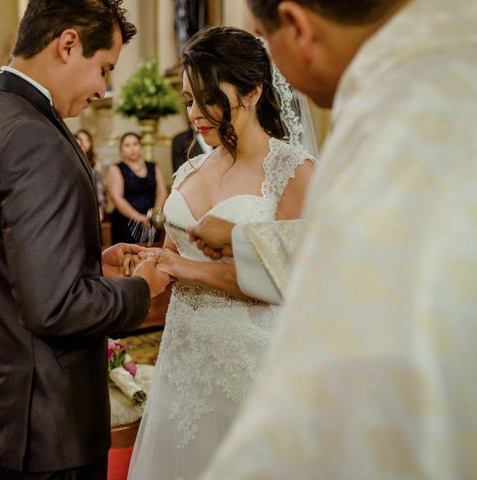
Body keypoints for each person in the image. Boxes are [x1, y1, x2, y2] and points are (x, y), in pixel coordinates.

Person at [199, 0, 477, 479]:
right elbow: (384, 245)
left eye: (267, 42)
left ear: (297, 27)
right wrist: (246, 238)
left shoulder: (401, 115)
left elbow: (342, 390)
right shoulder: (448, 62)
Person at [0, 1, 171, 479]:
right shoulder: (35, 138)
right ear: (68, 44)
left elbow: (13, 267)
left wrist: (91, 263)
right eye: (103, 69)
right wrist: (141, 289)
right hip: (50, 421)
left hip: (10, 405)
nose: (101, 90)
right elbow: (55, 307)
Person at [127, 26, 315, 480]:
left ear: (252, 91)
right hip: (182, 357)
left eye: (209, 97)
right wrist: (143, 263)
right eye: (189, 99)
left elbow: (290, 282)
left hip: (251, 360)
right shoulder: (190, 169)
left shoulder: (293, 170)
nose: (195, 113)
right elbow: (171, 260)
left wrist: (182, 267)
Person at [107, 132, 167, 244]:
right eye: (127, 145)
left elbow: (161, 192)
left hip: (151, 221)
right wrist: (139, 218)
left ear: (140, 146)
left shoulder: (153, 166)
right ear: (121, 150)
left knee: (153, 255)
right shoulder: (116, 168)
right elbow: (116, 198)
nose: (132, 148)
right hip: (126, 221)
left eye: (135, 144)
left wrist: (155, 212)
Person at [75, 128, 106, 220]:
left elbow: (99, 187)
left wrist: (100, 207)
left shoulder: (95, 164)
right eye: (81, 140)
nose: (84, 143)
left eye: (86, 140)